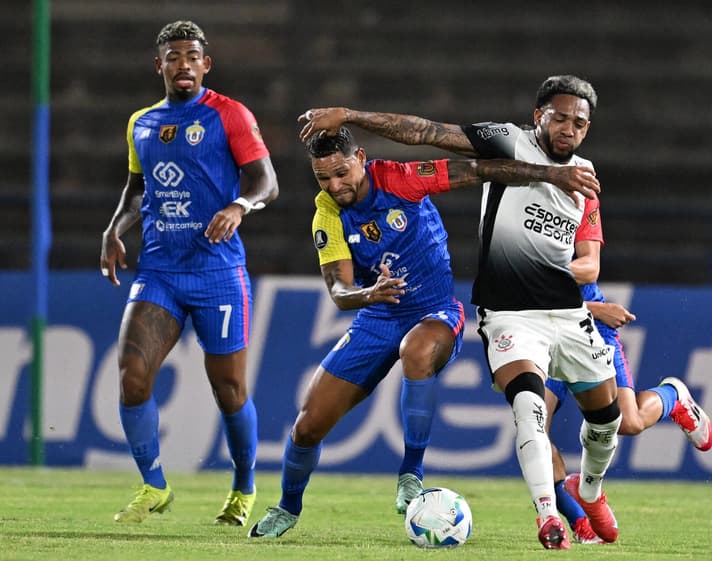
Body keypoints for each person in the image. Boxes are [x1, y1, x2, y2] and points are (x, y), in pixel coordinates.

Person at [297, 75, 634, 550]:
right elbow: (426, 132)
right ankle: (547, 519)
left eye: (578, 122)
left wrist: (585, 299)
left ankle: (590, 490)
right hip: (511, 316)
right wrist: (349, 114)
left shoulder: (586, 176)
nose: (568, 128)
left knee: (612, 421)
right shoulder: (508, 140)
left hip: (568, 313)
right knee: (529, 409)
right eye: (559, 117)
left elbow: (590, 262)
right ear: (540, 116)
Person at [247, 126, 601, 540]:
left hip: (435, 310)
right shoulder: (326, 211)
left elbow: (478, 169)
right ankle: (287, 508)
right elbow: (339, 292)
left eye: (341, 172)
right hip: (376, 316)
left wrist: (550, 174)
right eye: (323, 177)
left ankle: (410, 473)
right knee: (307, 426)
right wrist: (369, 293)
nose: (335, 185)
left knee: (416, 352)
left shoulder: (400, 178)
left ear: (361, 157)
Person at [99, 20, 279, 526]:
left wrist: (240, 205)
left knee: (229, 391)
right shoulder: (142, 122)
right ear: (159, 65)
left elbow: (267, 181)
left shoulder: (230, 115)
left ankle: (243, 489)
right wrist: (115, 227)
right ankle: (154, 485)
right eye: (173, 56)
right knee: (133, 378)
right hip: (159, 270)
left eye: (192, 56)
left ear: (206, 64)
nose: (184, 64)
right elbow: (139, 189)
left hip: (218, 272)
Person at [546, 281, 712, 544]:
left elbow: (589, 266)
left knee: (628, 422)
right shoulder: (502, 242)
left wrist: (585, 306)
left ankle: (673, 396)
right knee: (534, 429)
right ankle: (580, 521)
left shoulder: (568, 241)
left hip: (589, 330)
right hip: (543, 335)